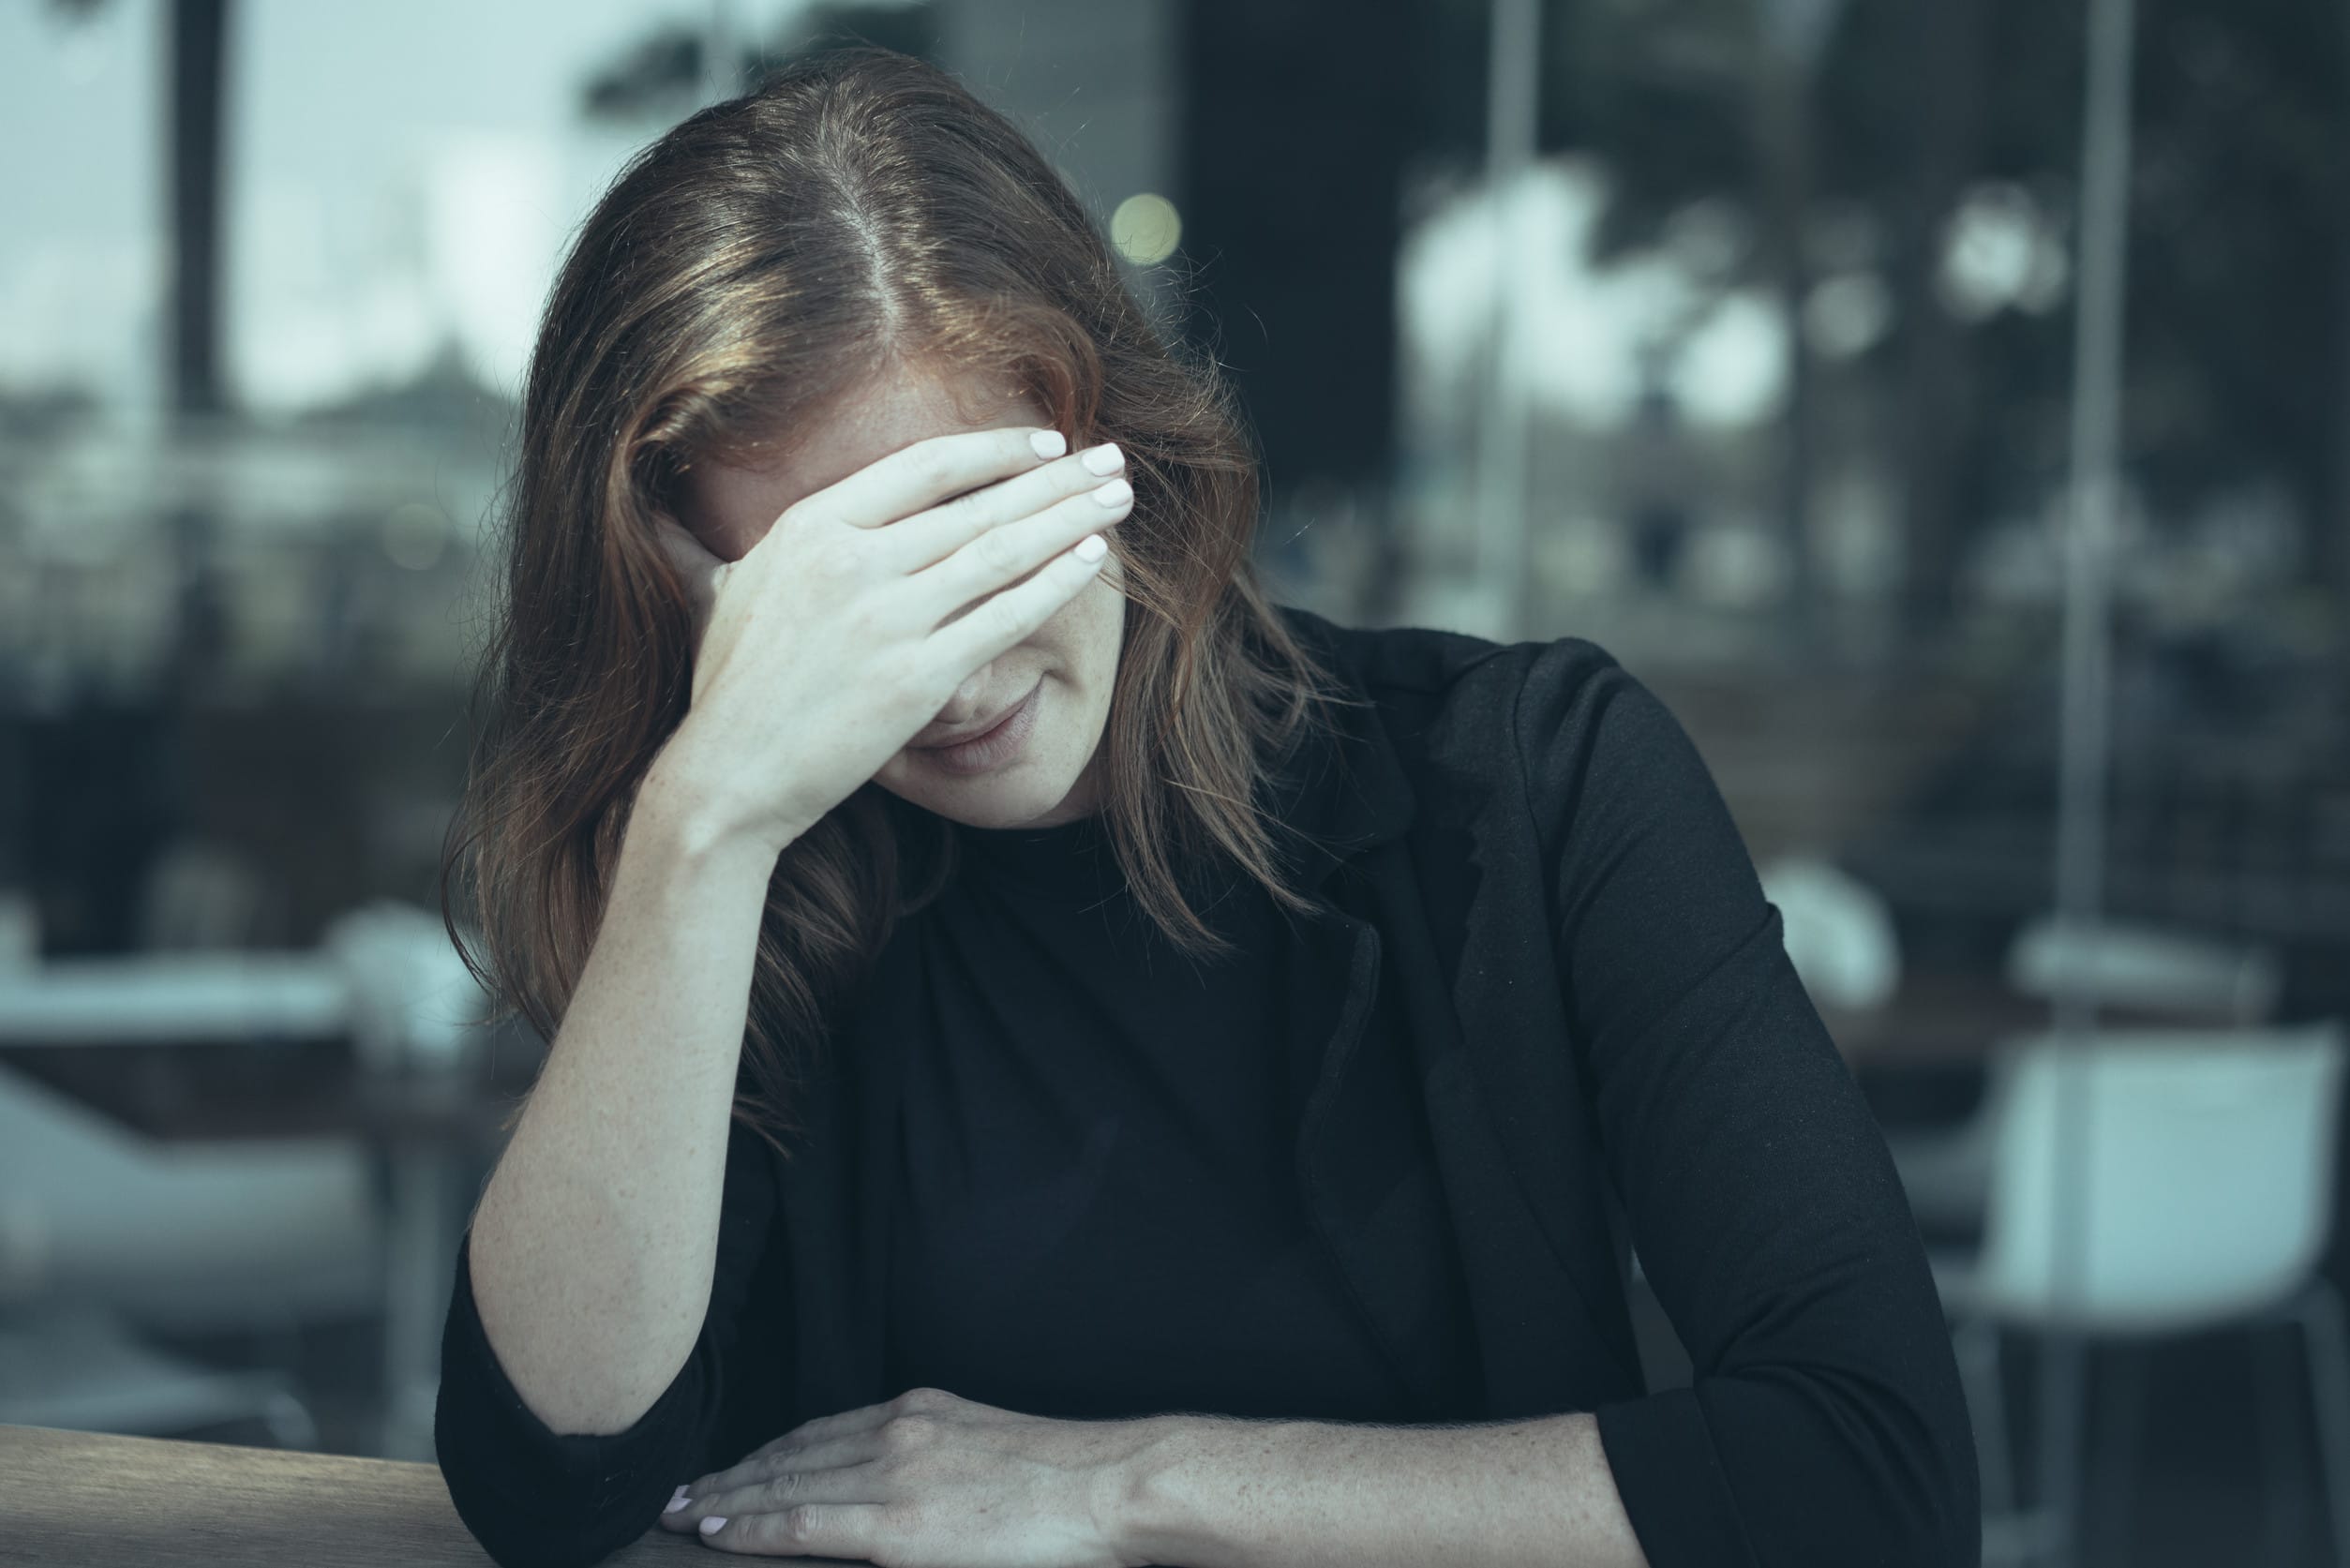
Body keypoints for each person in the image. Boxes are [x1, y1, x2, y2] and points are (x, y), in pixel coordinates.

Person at [431, 44, 1978, 1568]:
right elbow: (551, 1489)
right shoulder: (757, 881)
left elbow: (1868, 1480)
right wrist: (705, 820)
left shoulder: (1533, 781)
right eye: (850, 611)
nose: (952, 673)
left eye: (980, 539)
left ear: (1112, 438)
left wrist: (1123, 1485)